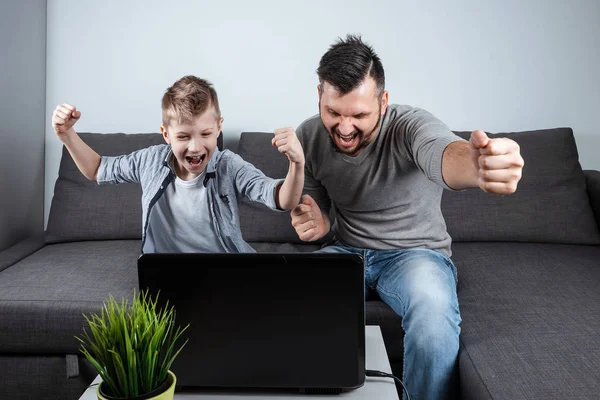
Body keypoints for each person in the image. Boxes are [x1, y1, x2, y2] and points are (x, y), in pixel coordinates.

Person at [286, 35, 524, 400]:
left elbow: (444, 154)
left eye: (360, 115)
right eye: (334, 112)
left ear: (383, 101)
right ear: (319, 94)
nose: (345, 128)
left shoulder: (411, 126)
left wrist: (476, 167)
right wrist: (321, 226)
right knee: (280, 293)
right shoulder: (308, 136)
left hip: (414, 255)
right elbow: (321, 216)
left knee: (432, 314)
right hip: (347, 253)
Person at [52, 75, 304, 254]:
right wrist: (66, 135)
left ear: (219, 127)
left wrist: (297, 163)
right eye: (183, 136)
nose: (195, 147)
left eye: (205, 134)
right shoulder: (150, 161)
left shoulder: (229, 165)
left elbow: (282, 199)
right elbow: (97, 169)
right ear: (166, 134)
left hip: (226, 271)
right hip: (165, 272)